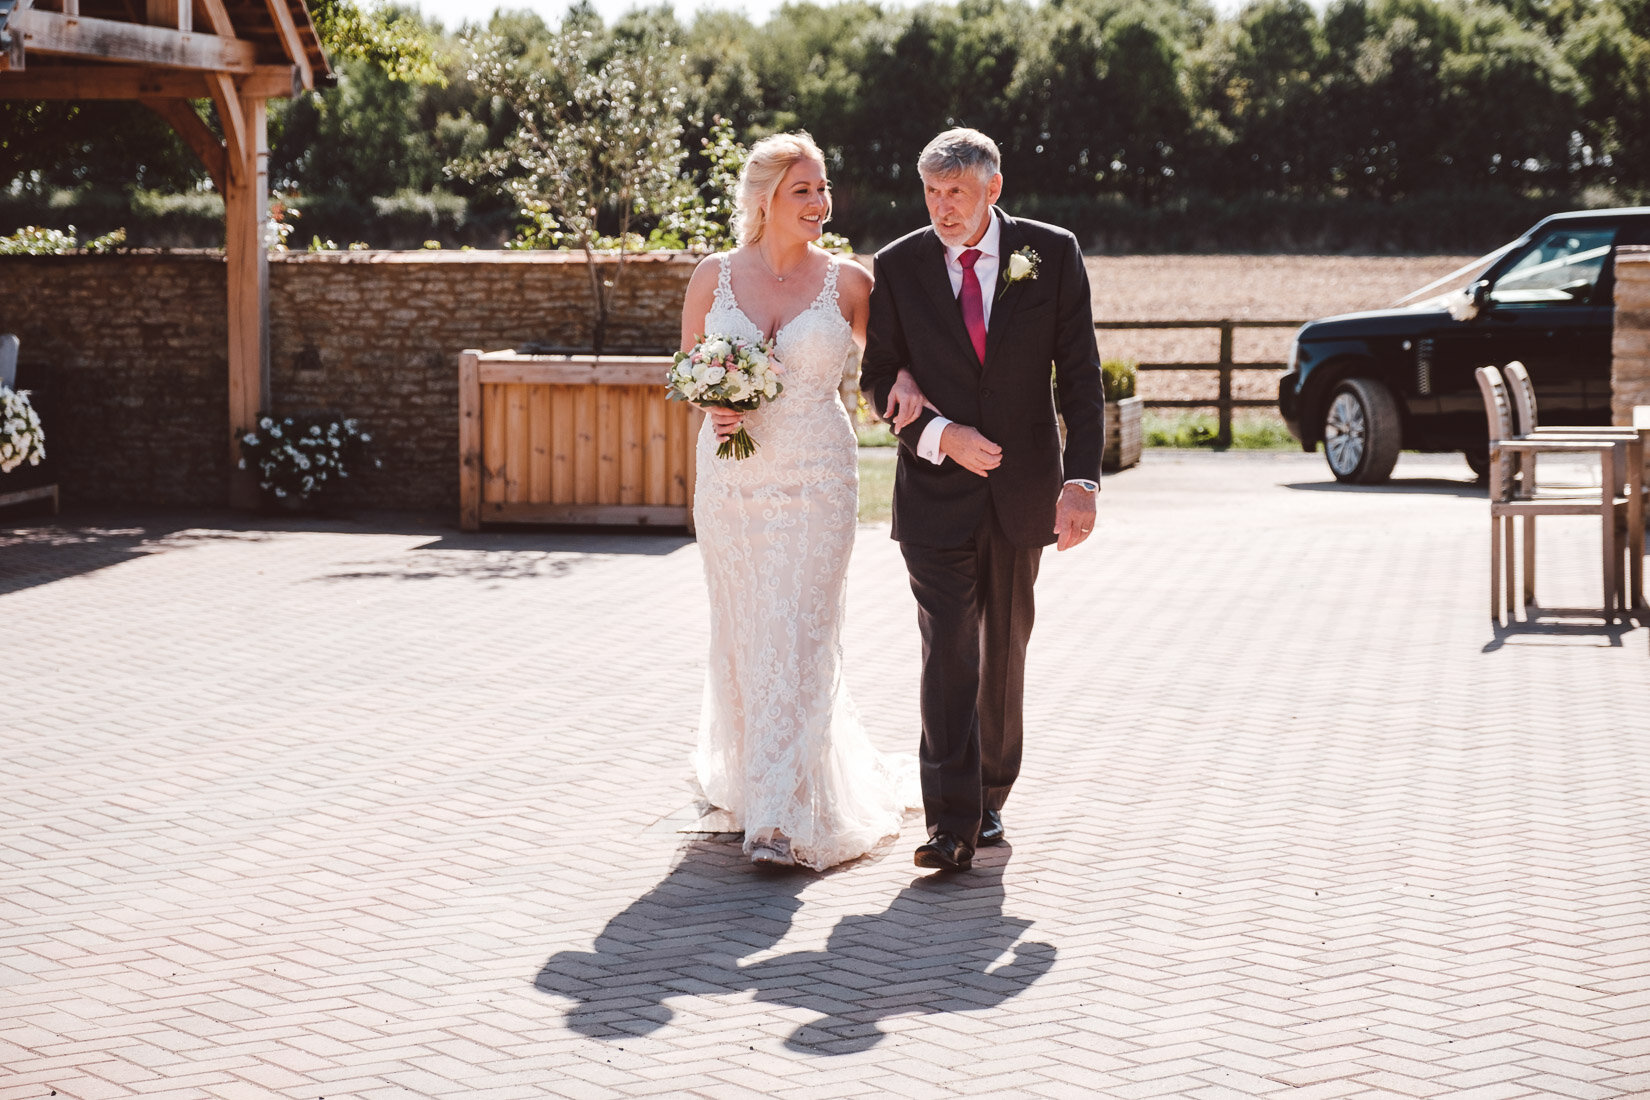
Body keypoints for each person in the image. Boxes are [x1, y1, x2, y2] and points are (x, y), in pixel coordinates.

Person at [860, 127, 1104, 873]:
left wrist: (1082, 481)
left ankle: (991, 794)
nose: (942, 208)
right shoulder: (898, 266)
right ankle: (948, 823)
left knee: (1004, 649)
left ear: (992, 188)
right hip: (933, 492)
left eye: (955, 192)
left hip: (1023, 489)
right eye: (931, 193)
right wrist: (940, 435)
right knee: (948, 651)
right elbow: (880, 383)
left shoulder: (1051, 252)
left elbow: (1080, 375)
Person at [680, 132, 918, 870]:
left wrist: (904, 387)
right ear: (764, 200)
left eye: (823, 188)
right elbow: (688, 369)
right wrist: (712, 405)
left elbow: (888, 369)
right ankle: (759, 784)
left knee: (802, 633)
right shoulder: (711, 277)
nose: (820, 203)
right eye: (804, 191)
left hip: (819, 479)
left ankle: (779, 817)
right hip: (732, 480)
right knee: (748, 631)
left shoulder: (847, 283)